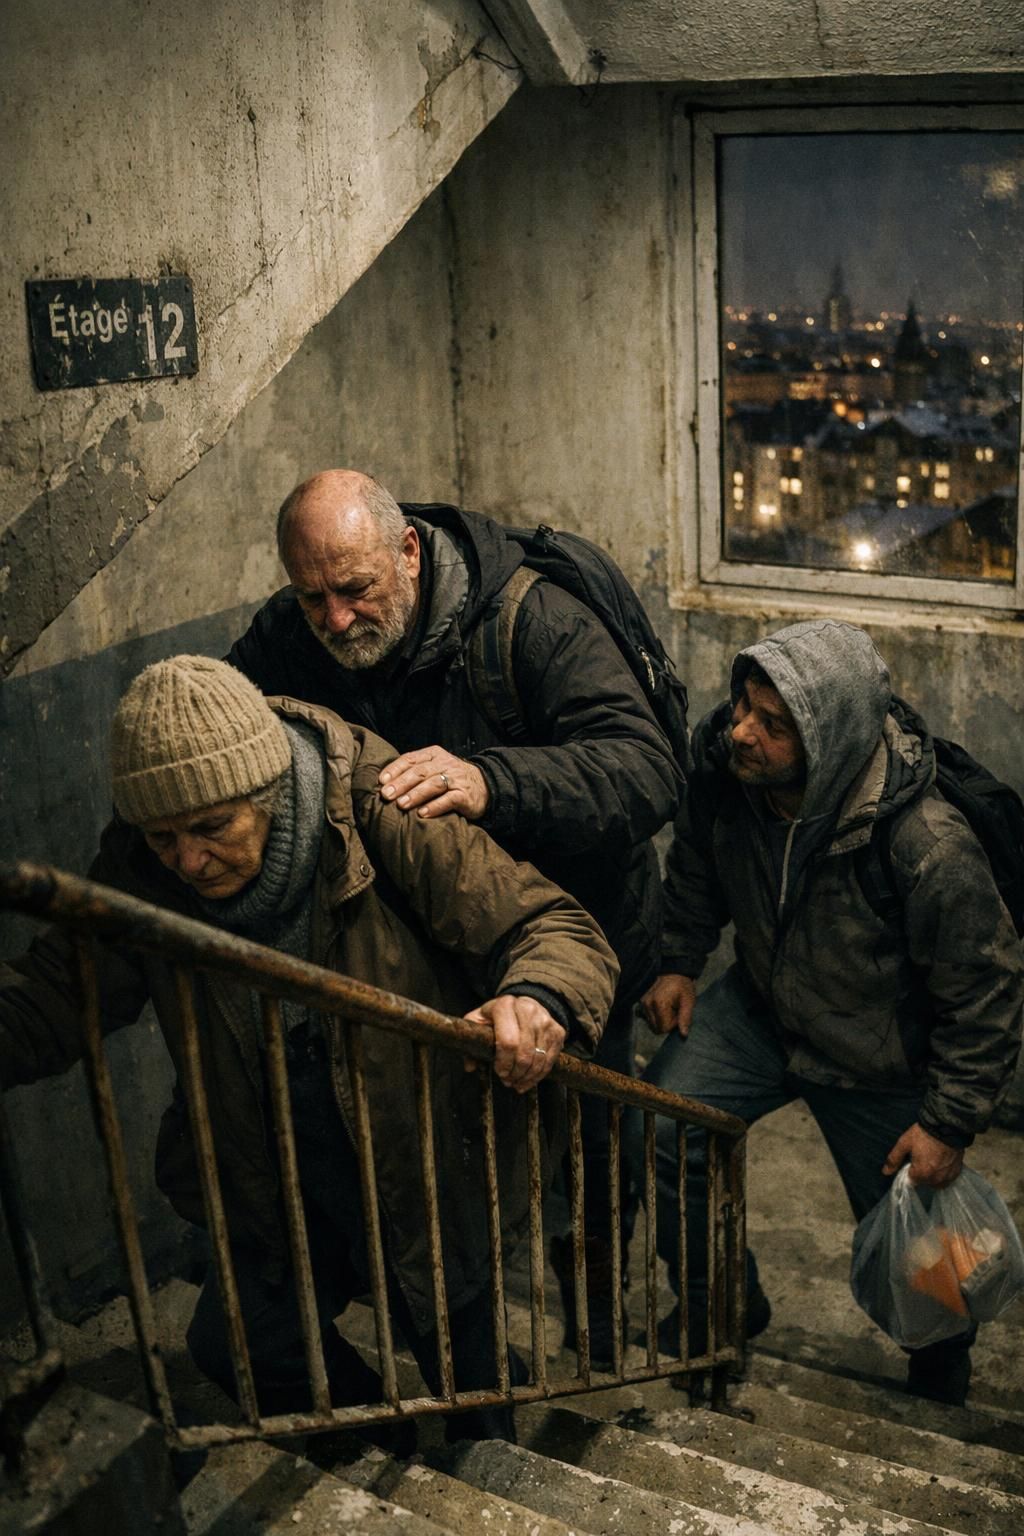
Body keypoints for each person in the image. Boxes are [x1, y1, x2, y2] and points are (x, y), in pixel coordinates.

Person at [0, 656, 618, 1443]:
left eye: (214, 828)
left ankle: (485, 1468)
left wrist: (538, 997)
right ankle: (379, 1456)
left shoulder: (379, 807)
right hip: (271, 1162)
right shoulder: (140, 868)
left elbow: (554, 928)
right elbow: (60, 992)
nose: (189, 861)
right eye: (164, 838)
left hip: (415, 1156)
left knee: (464, 1366)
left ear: (268, 792)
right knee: (246, 1348)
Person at [226, 469, 682, 1358]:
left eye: (355, 590)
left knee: (588, 1159)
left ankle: (591, 1332)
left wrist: (492, 779)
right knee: (440, 1153)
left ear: (407, 552)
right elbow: (224, 735)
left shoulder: (532, 621)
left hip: (575, 945)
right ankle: (467, 1333)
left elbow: (646, 768)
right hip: (436, 954)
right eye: (312, 596)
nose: (337, 620)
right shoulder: (293, 636)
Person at [636, 618, 1024, 1406]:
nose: (742, 731)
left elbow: (985, 987)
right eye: (744, 706)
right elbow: (698, 860)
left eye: (773, 725)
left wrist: (948, 1123)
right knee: (667, 1120)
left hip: (876, 1053)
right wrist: (681, 959)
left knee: (926, 1244)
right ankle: (722, 1307)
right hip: (763, 1009)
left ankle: (940, 1369)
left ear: (833, 739)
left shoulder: (927, 844)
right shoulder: (729, 771)